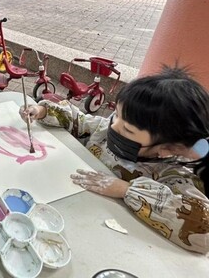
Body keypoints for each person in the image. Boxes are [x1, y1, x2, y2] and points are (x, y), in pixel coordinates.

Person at [20, 67, 209, 254]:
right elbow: (82, 122)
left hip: (104, 239)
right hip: (66, 206)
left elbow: (203, 231)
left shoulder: (173, 175)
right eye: (116, 115)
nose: (113, 127)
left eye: (127, 130)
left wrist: (126, 189)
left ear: (166, 149)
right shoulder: (105, 130)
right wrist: (42, 110)